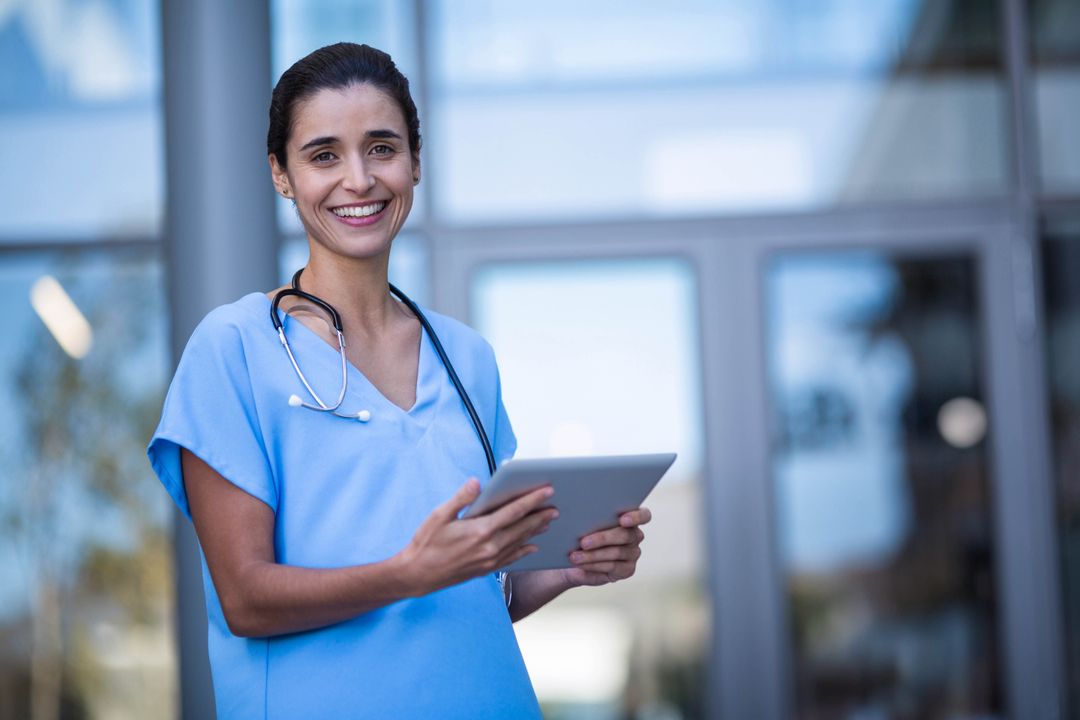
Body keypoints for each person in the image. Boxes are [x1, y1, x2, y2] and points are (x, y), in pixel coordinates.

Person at [147, 42, 652, 719]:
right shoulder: (233, 350)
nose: (359, 179)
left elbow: (483, 585)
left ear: (415, 162)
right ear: (281, 174)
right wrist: (409, 574)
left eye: (382, 148)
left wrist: (565, 568)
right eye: (324, 155)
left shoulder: (466, 357)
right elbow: (245, 598)